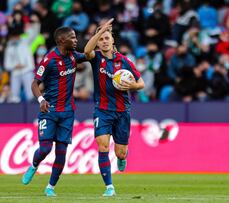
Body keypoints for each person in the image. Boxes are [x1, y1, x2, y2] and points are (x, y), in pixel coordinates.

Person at [22, 27, 88, 196]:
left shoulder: (74, 56)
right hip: (49, 110)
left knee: (61, 153)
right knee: (45, 149)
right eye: (72, 38)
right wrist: (41, 100)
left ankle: (50, 187)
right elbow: (34, 84)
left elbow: (89, 54)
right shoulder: (49, 60)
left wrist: (100, 36)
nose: (75, 40)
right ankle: (34, 165)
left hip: (67, 112)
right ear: (61, 41)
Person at [84, 18, 144, 196]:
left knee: (121, 153)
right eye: (101, 39)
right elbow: (87, 50)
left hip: (122, 111)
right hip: (102, 110)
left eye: (106, 38)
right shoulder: (96, 58)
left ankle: (122, 156)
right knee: (102, 146)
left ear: (113, 41)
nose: (104, 41)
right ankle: (109, 187)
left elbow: (141, 83)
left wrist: (132, 86)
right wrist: (101, 30)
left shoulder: (124, 61)